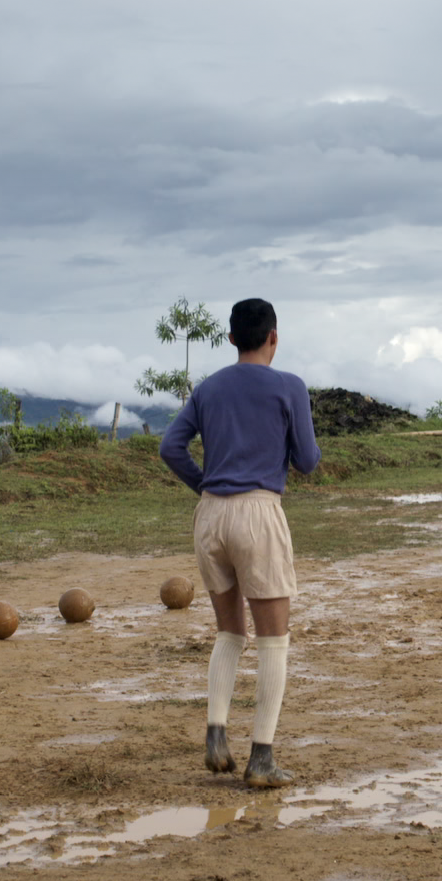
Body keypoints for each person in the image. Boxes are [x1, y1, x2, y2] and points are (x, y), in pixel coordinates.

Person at [159, 299, 321, 787]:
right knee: (274, 641)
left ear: (230, 339)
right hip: (258, 512)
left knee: (230, 632)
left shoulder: (208, 388)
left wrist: (206, 482)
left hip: (210, 514)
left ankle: (215, 734)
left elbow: (170, 447)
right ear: (274, 337)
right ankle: (262, 759)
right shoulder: (289, 386)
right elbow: (308, 461)